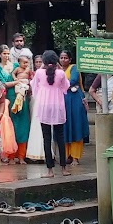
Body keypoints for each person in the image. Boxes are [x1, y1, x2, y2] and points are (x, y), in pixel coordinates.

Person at [28, 50, 71, 178]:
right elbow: (66, 87)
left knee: (46, 138)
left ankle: (50, 171)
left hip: (44, 106)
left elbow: (33, 86)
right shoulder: (61, 73)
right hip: (57, 106)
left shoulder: (39, 72)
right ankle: (64, 168)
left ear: (44, 61)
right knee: (60, 138)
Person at [58, 51, 91, 169]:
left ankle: (76, 157)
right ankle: (68, 155)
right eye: (61, 58)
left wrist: (59, 83)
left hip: (75, 100)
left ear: (70, 59)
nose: (63, 60)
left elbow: (73, 81)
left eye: (66, 58)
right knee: (65, 127)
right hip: (63, 100)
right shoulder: (58, 69)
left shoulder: (74, 68)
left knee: (76, 126)